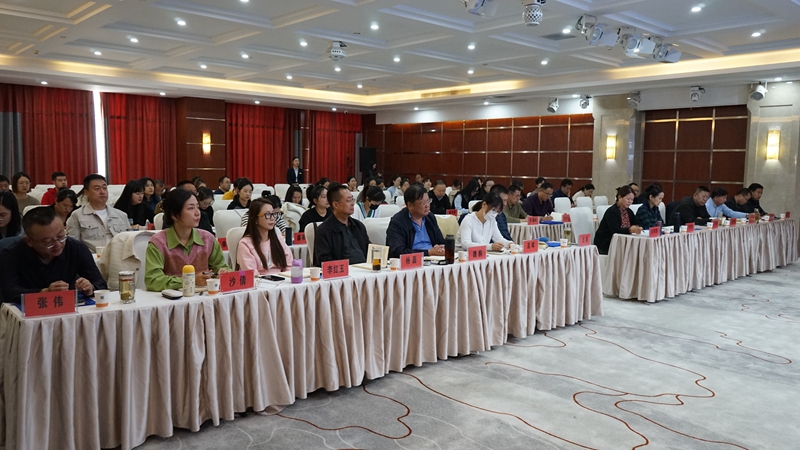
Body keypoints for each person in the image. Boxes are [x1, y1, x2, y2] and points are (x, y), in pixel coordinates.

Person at [0, 207, 106, 303]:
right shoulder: (10, 254)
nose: (58, 245)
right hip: (27, 311)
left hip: (67, 307)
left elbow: (100, 283)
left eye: (61, 236)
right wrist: (45, 293)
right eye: (48, 242)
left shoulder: (76, 248)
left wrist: (90, 288)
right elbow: (9, 292)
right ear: (29, 241)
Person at [144, 189, 230, 291]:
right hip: (173, 298)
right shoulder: (158, 243)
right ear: (174, 215)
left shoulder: (208, 239)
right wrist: (190, 280)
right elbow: (153, 280)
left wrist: (223, 272)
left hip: (205, 296)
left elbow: (220, 266)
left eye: (197, 207)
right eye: (190, 208)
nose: (197, 213)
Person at [66, 174, 130, 253]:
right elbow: (73, 246)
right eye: (97, 188)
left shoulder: (121, 215)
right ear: (86, 192)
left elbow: (129, 242)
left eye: (104, 188)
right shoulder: (77, 216)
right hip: (92, 258)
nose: (102, 192)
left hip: (118, 257)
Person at [314, 184, 370, 265]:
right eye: (348, 201)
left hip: (364, 269)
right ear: (336, 204)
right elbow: (324, 260)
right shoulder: (323, 230)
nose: (352, 204)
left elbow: (369, 250)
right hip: (343, 271)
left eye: (352, 200)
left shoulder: (359, 226)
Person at [386, 184, 446, 258]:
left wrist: (441, 247)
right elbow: (398, 251)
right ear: (410, 205)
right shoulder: (398, 222)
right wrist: (428, 252)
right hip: (412, 260)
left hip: (434, 258)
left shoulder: (430, 217)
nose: (427, 206)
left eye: (428, 201)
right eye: (423, 203)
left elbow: (441, 241)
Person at [237, 198, 293, 274]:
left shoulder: (279, 240)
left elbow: (289, 266)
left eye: (273, 214)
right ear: (255, 219)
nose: (272, 218)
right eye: (267, 214)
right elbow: (251, 273)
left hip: (283, 280)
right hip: (259, 281)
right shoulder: (245, 244)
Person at [594, 185, 643, 255]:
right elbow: (615, 230)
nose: (630, 202)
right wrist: (630, 230)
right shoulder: (612, 211)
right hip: (607, 243)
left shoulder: (628, 211)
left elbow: (638, 223)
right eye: (628, 199)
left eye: (632, 200)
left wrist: (637, 227)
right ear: (619, 197)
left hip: (622, 242)